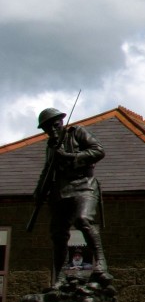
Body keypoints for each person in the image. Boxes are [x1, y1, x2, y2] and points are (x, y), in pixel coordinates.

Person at [34, 107, 111, 287]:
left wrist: (71, 157)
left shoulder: (76, 133)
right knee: (58, 234)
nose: (52, 131)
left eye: (54, 125)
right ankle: (60, 277)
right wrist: (39, 191)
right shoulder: (50, 146)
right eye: (47, 129)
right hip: (60, 191)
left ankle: (100, 263)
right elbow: (47, 170)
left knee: (83, 219)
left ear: (61, 122)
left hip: (84, 186)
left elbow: (98, 150)